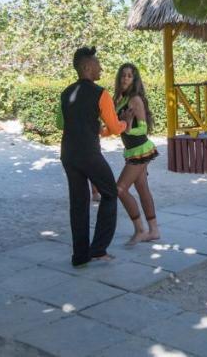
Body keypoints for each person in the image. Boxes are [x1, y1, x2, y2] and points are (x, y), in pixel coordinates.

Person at [58, 47, 126, 267]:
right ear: (87, 67)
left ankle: (80, 256)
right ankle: (98, 249)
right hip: (89, 153)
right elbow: (115, 128)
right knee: (110, 193)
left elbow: (64, 124)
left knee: (78, 203)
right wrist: (127, 121)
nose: (101, 68)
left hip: (68, 153)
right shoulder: (101, 93)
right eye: (98, 64)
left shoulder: (66, 93)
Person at [112, 63, 159, 246]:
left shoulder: (135, 100)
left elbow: (143, 129)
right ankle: (154, 230)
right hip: (132, 151)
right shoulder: (121, 99)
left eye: (129, 76)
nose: (125, 78)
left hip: (140, 149)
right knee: (142, 189)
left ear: (134, 79)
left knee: (120, 189)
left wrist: (129, 128)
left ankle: (140, 229)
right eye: (123, 75)